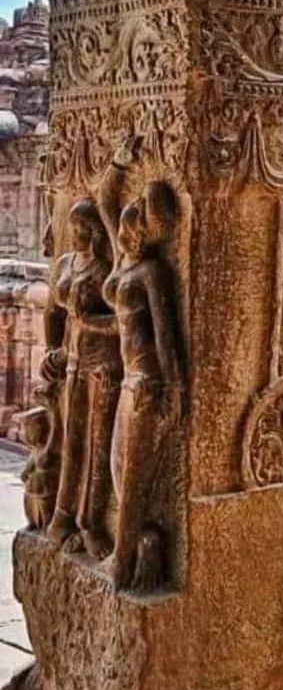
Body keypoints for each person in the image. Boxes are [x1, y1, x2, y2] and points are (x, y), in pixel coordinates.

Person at [98, 145, 183, 590]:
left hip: (146, 379)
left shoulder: (152, 271)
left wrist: (173, 391)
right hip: (127, 376)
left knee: (132, 473)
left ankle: (124, 558)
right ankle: (137, 544)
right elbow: (103, 200)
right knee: (116, 468)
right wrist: (119, 161)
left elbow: (166, 337)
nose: (132, 219)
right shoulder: (123, 259)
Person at [45, 200, 119, 559]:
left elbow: (123, 325)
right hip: (72, 363)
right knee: (71, 441)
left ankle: (91, 520)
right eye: (73, 227)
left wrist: (87, 321)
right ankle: (63, 514)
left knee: (98, 446)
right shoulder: (65, 264)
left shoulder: (106, 270)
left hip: (103, 365)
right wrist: (52, 350)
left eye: (82, 228)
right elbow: (54, 312)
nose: (76, 234)